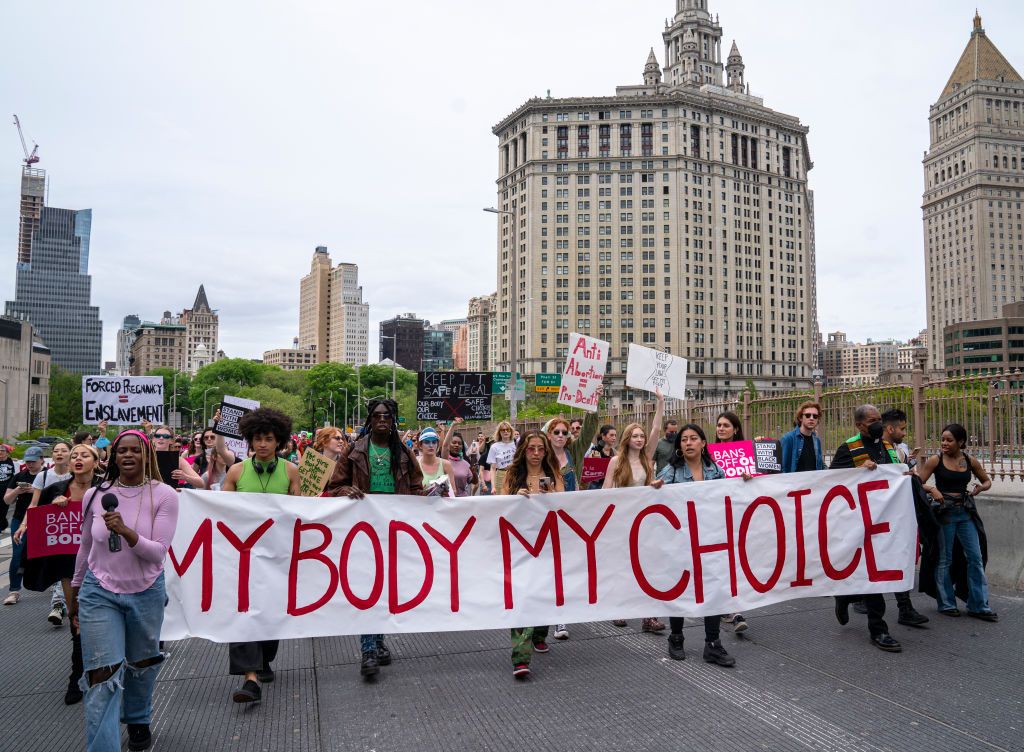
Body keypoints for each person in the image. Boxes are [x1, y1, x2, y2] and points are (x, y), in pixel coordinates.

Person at [68, 430, 179, 752]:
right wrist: (76, 589)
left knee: (142, 664)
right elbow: (86, 546)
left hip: (146, 592)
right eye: (122, 451)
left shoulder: (164, 495)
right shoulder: (95, 495)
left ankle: (138, 717)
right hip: (99, 592)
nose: (128, 456)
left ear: (147, 456)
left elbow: (158, 553)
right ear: (113, 457)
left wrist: (125, 531)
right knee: (102, 675)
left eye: (135, 450)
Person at [326, 398, 426, 679]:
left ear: (393, 419)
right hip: (362, 528)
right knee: (367, 586)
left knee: (385, 587)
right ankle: (368, 650)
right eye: (378, 415)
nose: (382, 420)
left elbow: (416, 487)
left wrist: (431, 497)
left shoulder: (404, 452)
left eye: (387, 416)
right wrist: (345, 491)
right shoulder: (355, 450)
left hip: (394, 528)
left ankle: (379, 642)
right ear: (370, 419)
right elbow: (335, 485)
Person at [222, 408, 301, 703]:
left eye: (269, 438)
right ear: (250, 441)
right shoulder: (236, 472)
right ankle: (250, 678)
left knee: (271, 610)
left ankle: (264, 658)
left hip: (279, 554)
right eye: (258, 439)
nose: (263, 444)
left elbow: (299, 512)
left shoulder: (291, 471)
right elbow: (221, 513)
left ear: (278, 441)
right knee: (243, 610)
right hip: (243, 556)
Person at [21, 443, 103, 705]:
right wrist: (54, 508)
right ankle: (77, 674)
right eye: (74, 456)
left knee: (102, 616)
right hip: (71, 565)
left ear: (96, 461)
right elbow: (39, 517)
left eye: (84, 455)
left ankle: (102, 665)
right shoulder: (55, 490)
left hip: (105, 563)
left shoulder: (108, 488)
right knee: (75, 615)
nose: (78, 459)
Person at [655, 424, 736, 667]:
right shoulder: (670, 472)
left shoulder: (715, 470)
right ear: (679, 446)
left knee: (713, 588)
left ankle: (713, 644)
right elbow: (655, 501)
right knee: (680, 586)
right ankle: (676, 637)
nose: (688, 443)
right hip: (680, 541)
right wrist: (654, 490)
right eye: (684, 440)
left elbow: (731, 495)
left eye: (693, 439)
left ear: (703, 443)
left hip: (710, 540)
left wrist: (746, 484)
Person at [829, 404, 903, 653]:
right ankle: (878, 630)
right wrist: (856, 472)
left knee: (876, 574)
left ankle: (845, 597)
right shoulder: (849, 448)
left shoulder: (890, 447)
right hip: (857, 523)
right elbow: (829, 482)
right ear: (860, 425)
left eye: (879, 419)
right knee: (873, 576)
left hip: (885, 522)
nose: (878, 424)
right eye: (872, 420)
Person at [916, 423, 996, 622]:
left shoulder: (969, 460)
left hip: (965, 513)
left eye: (949, 440)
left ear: (960, 442)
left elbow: (987, 481)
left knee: (975, 558)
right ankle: (946, 603)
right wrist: (932, 490)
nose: (944, 443)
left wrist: (979, 488)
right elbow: (917, 482)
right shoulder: (936, 460)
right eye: (942, 439)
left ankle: (978, 605)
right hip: (945, 514)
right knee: (945, 559)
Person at [503, 431, 565, 678]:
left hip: (548, 542)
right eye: (532, 449)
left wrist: (551, 498)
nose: (537, 454)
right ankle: (520, 656)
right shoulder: (511, 474)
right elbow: (498, 505)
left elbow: (564, 505)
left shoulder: (554, 474)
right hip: (519, 544)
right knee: (522, 596)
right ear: (523, 451)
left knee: (544, 591)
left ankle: (539, 633)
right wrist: (513, 498)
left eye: (541, 449)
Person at [604, 389, 666, 634]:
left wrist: (660, 402)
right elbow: (606, 490)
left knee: (646, 566)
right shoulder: (615, 462)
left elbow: (656, 430)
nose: (640, 439)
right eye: (636, 436)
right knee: (623, 566)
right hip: (622, 519)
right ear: (627, 438)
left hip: (645, 521)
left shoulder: (646, 459)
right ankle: (620, 608)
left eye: (642, 436)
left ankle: (648, 616)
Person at [876, 409, 930, 627]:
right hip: (881, 515)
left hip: (899, 513)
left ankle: (904, 608)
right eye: (902, 428)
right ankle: (852, 597)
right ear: (891, 429)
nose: (905, 433)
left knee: (901, 557)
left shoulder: (897, 451)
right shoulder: (875, 449)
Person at [14, 440, 73, 625]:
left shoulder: (76, 475)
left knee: (70, 568)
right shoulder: (44, 476)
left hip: (72, 527)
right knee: (58, 564)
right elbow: (34, 504)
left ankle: (67, 605)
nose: (59, 453)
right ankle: (58, 604)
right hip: (52, 528)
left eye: (64, 450)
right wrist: (25, 524)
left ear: (70, 454)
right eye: (56, 451)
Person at [710, 412, 750, 634]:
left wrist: (750, 477)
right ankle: (726, 606)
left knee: (735, 562)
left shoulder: (747, 454)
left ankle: (735, 610)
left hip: (738, 514)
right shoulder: (708, 455)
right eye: (718, 425)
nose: (721, 428)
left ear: (735, 429)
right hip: (715, 516)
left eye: (726, 425)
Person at [3, 445, 44, 606]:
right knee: (17, 553)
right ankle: (14, 590)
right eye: (28, 461)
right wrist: (18, 491)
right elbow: (7, 500)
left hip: (42, 519)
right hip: (19, 519)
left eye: (33, 461)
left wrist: (34, 491)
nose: (30, 464)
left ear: (42, 460)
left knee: (45, 553)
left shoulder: (47, 476)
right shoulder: (19, 475)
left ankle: (54, 586)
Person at [780, 401, 824, 473]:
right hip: (795, 483)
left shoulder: (817, 440)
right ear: (800, 418)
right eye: (807, 415)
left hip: (813, 483)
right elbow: (782, 467)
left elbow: (820, 465)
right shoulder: (789, 438)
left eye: (815, 416)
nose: (811, 418)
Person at [416, 427, 457, 496]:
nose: (431, 445)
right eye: (427, 442)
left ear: (437, 445)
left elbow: (454, 491)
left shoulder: (446, 465)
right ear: (420, 445)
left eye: (434, 442)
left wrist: (446, 493)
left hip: (441, 506)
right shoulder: (415, 463)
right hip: (421, 505)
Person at [440, 425, 475, 497]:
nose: (457, 445)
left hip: (462, 501)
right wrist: (453, 425)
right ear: (449, 444)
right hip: (447, 500)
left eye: (459, 443)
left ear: (462, 447)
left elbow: (473, 482)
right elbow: (444, 446)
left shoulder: (466, 464)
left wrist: (474, 473)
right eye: (454, 442)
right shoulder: (445, 460)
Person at [485, 421, 517, 494]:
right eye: (503, 430)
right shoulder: (494, 447)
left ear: (511, 431)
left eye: (508, 429)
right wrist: (493, 487)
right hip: (500, 475)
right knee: (500, 500)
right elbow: (492, 469)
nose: (505, 431)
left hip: (514, 474)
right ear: (499, 432)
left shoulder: (516, 444)